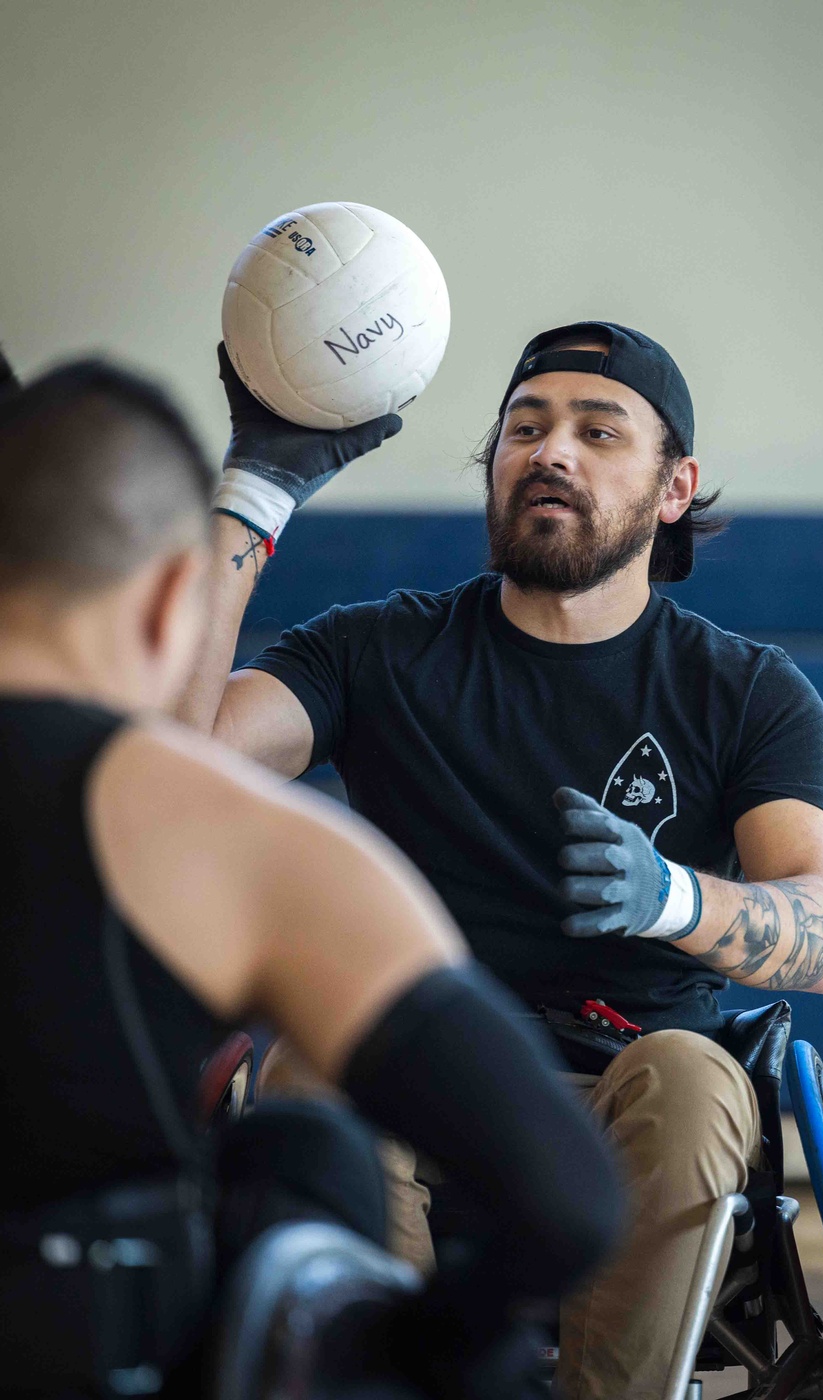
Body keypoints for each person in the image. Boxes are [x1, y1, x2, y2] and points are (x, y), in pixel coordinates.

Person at [181, 323, 823, 1400]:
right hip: (425, 1065)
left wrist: (670, 894)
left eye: (599, 430)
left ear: (673, 486)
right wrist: (255, 489)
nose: (551, 451)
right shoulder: (374, 650)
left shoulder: (746, 690)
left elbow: (821, 931)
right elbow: (167, 756)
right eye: (524, 427)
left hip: (629, 1079)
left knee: (690, 1073)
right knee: (314, 1055)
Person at [0, 354, 622, 1397]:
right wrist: (400, 1347)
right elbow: (568, 1202)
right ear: (168, 604)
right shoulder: (214, 828)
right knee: (303, 1160)